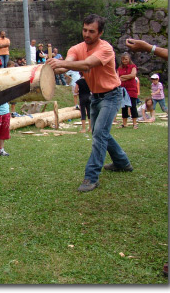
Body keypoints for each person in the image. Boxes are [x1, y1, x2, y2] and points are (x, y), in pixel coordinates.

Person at [46, 14, 133, 192]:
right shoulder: (77, 48)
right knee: (100, 133)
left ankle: (91, 177)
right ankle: (122, 162)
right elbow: (67, 65)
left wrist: (60, 63)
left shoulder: (106, 49)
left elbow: (86, 65)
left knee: (99, 134)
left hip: (111, 96)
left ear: (100, 32)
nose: (87, 34)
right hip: (96, 97)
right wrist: (48, 69)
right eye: (85, 30)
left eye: (91, 31)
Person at [117, 52, 138, 129]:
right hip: (122, 89)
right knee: (124, 107)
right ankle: (124, 123)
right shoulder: (120, 68)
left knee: (133, 106)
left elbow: (133, 75)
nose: (124, 61)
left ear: (129, 59)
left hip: (131, 89)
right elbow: (117, 77)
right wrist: (126, 77)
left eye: (126, 59)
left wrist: (123, 76)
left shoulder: (133, 67)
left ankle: (135, 123)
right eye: (123, 59)